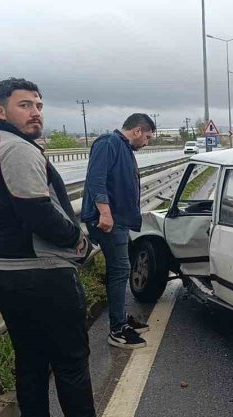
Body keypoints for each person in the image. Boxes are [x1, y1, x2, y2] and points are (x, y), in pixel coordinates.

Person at [0, 77, 117, 417]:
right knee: (70, 361)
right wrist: (80, 243)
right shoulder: (17, 149)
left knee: (30, 361)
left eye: (37, 104)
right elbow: (39, 213)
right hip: (40, 271)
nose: (35, 112)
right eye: (24, 105)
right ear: (1, 111)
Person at [81, 113, 155, 349]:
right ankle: (117, 329)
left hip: (119, 221)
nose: (147, 142)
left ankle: (122, 320)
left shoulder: (122, 148)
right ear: (137, 131)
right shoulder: (108, 143)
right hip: (109, 222)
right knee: (119, 269)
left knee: (121, 270)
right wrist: (104, 212)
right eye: (148, 137)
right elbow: (96, 179)